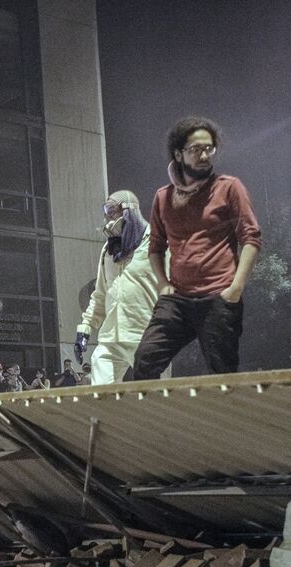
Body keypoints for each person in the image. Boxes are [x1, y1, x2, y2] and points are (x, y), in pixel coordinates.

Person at [130, 117, 262, 380]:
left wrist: (236, 287)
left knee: (222, 375)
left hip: (218, 295)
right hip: (177, 299)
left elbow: (251, 237)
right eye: (195, 149)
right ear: (179, 154)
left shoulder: (228, 187)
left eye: (208, 148)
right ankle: (157, 421)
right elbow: (156, 245)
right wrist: (162, 283)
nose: (203, 155)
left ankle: (227, 421)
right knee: (144, 362)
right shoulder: (163, 197)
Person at [75, 190, 161, 384]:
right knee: (100, 366)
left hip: (144, 332)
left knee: (152, 397)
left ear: (129, 210)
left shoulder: (157, 242)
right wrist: (85, 328)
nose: (108, 217)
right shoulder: (109, 250)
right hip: (112, 334)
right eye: (106, 211)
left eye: (112, 210)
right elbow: (100, 294)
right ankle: (102, 415)